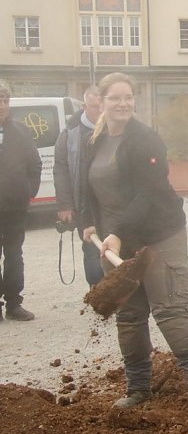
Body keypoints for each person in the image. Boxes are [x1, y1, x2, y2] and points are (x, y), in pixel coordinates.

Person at [80, 72, 188, 419]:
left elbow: (148, 193)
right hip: (116, 242)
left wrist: (117, 231)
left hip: (159, 235)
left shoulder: (146, 140)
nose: (123, 103)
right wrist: (88, 220)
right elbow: (87, 187)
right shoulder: (95, 140)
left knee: (170, 310)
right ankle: (138, 388)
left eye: (128, 97)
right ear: (100, 101)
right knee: (130, 316)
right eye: (115, 98)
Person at [54, 87, 104, 289]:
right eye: (95, 107)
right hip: (84, 203)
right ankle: (97, 290)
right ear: (84, 106)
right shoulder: (69, 134)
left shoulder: (115, 129)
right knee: (91, 248)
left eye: (102, 106)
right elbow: (61, 170)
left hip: (111, 201)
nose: (100, 111)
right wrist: (65, 205)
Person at [0, 80, 41, 321]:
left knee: (14, 256)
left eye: (5, 100)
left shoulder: (21, 131)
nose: (2, 105)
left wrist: (29, 191)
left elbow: (34, 164)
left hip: (14, 207)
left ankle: (14, 304)